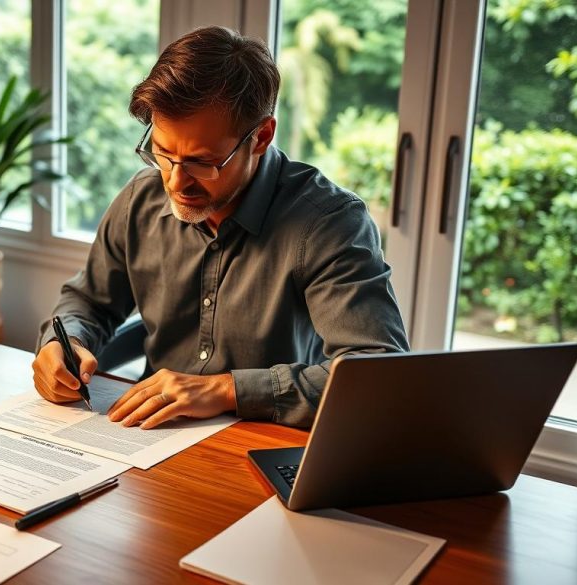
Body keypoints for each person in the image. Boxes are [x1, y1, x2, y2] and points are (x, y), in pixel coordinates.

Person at [31, 26, 409, 430]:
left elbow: (379, 375)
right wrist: (63, 343)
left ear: (261, 136)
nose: (176, 182)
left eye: (202, 162)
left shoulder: (329, 223)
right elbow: (89, 301)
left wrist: (228, 390)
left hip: (265, 441)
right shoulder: (139, 200)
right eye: (162, 153)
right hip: (145, 434)